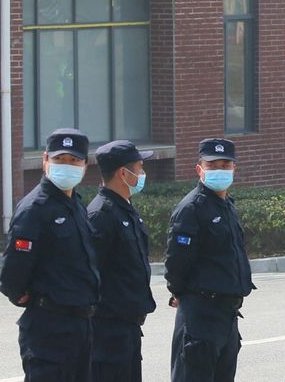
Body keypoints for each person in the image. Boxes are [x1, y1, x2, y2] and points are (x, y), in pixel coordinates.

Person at [0, 128, 100, 382]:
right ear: (45, 160)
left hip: (80, 326)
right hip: (49, 327)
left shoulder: (75, 204)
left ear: (85, 165)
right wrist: (20, 294)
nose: (67, 166)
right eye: (59, 160)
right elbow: (13, 273)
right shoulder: (35, 208)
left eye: (74, 160)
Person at [165, 138, 255, 382]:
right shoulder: (191, 208)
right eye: (213, 165)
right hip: (200, 316)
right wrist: (180, 293)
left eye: (226, 165)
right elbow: (176, 264)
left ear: (234, 169)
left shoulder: (226, 206)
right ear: (199, 169)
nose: (220, 170)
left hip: (227, 315)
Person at [88, 140, 157, 382]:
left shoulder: (125, 209)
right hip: (107, 333)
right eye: (139, 168)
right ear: (123, 173)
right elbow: (90, 275)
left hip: (127, 329)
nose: (142, 174)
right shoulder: (101, 215)